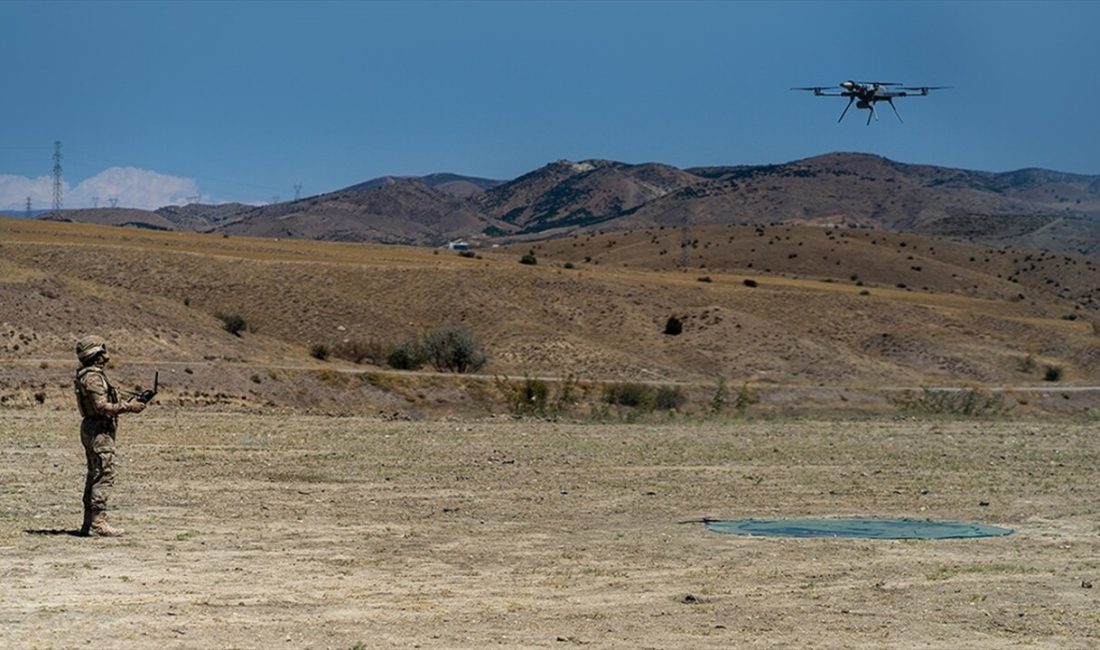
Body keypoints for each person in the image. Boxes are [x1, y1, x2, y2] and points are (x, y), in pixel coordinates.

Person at [73, 335, 147, 537]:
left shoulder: (88, 375)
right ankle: (98, 524)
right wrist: (128, 407)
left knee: (95, 474)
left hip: (95, 428)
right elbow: (101, 406)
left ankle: (90, 523)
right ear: (96, 354)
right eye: (102, 352)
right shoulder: (93, 377)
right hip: (99, 430)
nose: (106, 357)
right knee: (103, 474)